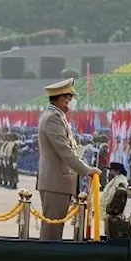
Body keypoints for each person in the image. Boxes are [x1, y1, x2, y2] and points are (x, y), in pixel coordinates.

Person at [37, 79, 96, 240]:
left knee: (55, 229)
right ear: (63, 99)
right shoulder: (52, 118)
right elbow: (66, 152)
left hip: (59, 182)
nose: (72, 102)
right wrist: (87, 170)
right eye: (70, 98)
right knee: (52, 231)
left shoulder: (58, 116)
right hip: (55, 182)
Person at [101, 162, 131, 239]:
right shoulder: (115, 179)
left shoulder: (121, 181)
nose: (110, 172)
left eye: (112, 170)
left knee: (113, 231)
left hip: (114, 211)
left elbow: (119, 197)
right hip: (110, 210)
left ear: (117, 171)